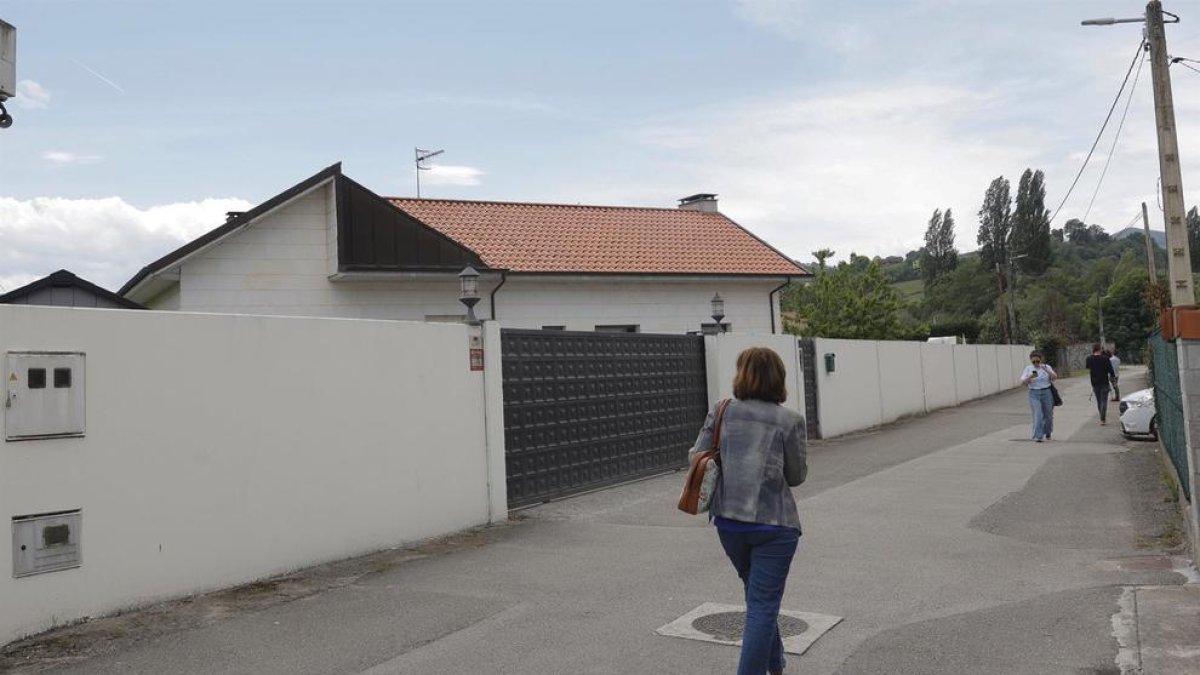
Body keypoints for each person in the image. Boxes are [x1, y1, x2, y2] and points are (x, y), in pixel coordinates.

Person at [691, 347, 806, 675]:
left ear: (741, 374)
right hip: (775, 527)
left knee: (757, 600)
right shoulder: (790, 420)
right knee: (763, 605)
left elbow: (696, 456)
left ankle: (775, 662)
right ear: (779, 378)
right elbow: (796, 477)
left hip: (729, 524)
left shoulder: (722, 411)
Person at [1020, 350, 1058, 442]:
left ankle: (1048, 432)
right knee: (1038, 414)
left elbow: (1054, 377)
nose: (1036, 363)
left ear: (1041, 360)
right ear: (1031, 361)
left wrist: (1046, 370)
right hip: (1034, 393)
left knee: (1048, 415)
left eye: (1038, 361)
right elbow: (1023, 383)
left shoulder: (1046, 367)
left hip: (1047, 392)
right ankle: (1038, 435)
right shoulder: (1028, 369)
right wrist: (1030, 377)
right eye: (1034, 362)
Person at [1084, 344, 1115, 425]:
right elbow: (1111, 370)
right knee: (1104, 400)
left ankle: (1101, 417)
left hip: (1094, 382)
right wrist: (1113, 377)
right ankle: (1103, 418)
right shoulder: (1105, 358)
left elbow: (1088, 368)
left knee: (1098, 401)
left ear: (1093, 349)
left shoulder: (1089, 359)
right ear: (1100, 350)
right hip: (1104, 382)